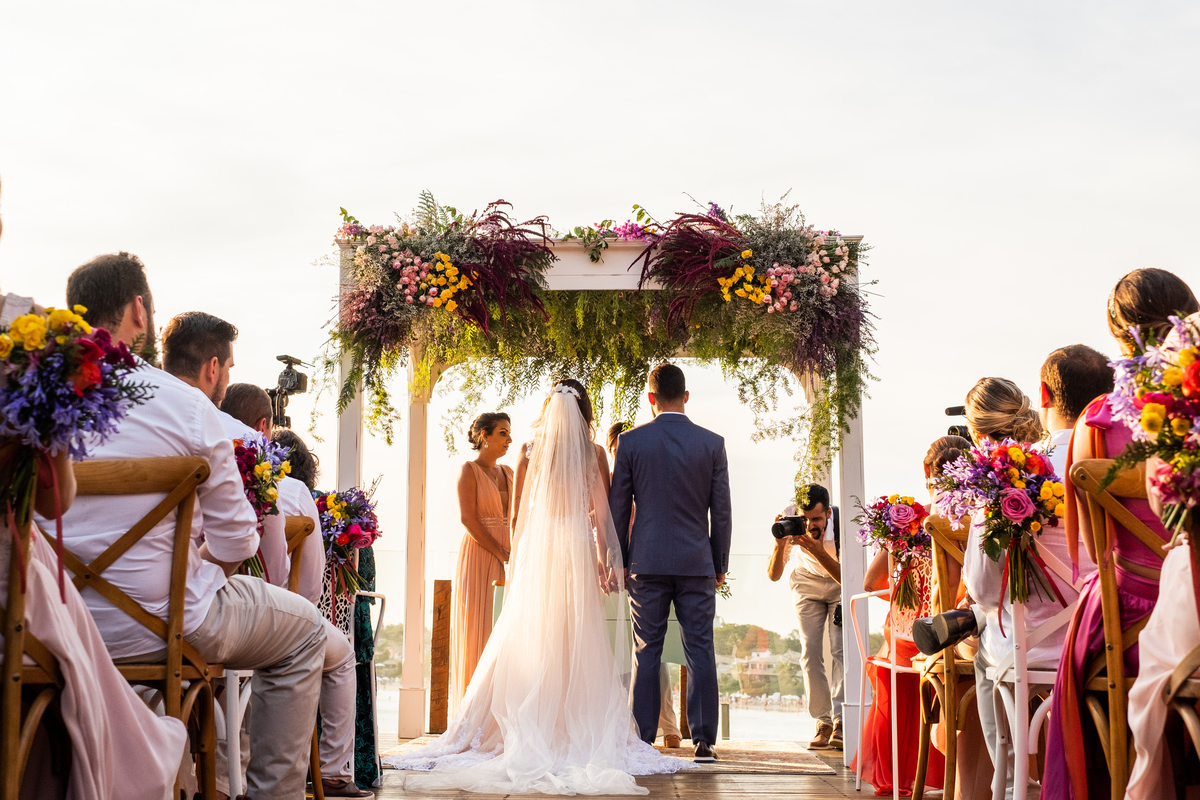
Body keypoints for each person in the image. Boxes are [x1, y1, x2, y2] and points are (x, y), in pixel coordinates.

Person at [63, 253, 327, 799]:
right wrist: (193, 570)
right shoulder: (182, 405)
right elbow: (236, 539)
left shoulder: (31, 400)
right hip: (163, 625)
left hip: (50, 630)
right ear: (138, 309)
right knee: (307, 634)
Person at [383, 383, 689, 794]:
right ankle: (569, 719)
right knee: (576, 632)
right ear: (584, 410)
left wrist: (517, 561)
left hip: (541, 548)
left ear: (549, 409)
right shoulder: (595, 452)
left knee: (535, 632)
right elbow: (602, 515)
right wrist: (604, 559)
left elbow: (517, 518)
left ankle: (530, 719)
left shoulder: (529, 451)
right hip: (577, 548)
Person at [160, 316, 369, 799]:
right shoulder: (233, 436)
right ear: (213, 368)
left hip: (79, 617)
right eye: (228, 367)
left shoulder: (87, 412)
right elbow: (249, 548)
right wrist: (198, 568)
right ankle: (286, 786)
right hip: (186, 621)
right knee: (305, 632)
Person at [1042, 269, 1199, 800]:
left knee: (1088, 627)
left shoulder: (1098, 420)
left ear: (1117, 334)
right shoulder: (1192, 404)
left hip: (1126, 625)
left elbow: (1090, 549)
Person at [611, 363, 732, 763]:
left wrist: (621, 561)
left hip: (646, 562)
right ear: (686, 396)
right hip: (697, 561)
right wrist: (719, 562)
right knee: (700, 647)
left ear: (650, 399)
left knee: (647, 649)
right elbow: (722, 511)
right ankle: (704, 743)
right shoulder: (712, 443)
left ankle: (643, 740)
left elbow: (617, 508)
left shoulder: (630, 443)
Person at [851, 437, 965, 797]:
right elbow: (957, 588)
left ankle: (897, 772)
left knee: (891, 652)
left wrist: (902, 575)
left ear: (927, 472)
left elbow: (871, 582)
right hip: (942, 638)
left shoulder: (910, 522)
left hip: (901, 641)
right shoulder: (965, 525)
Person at [607, 421, 682, 750]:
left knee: (652, 651)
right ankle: (621, 724)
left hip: (642, 570)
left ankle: (668, 723)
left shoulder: (648, 477)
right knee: (618, 653)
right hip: (613, 573)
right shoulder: (607, 480)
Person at [767, 484, 844, 750]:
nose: (810, 525)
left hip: (838, 581)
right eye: (805, 518)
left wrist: (817, 550)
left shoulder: (841, 526)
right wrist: (780, 545)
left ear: (828, 516)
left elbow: (848, 577)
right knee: (810, 651)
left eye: (817, 520)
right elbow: (774, 575)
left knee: (840, 649)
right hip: (806, 583)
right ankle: (823, 722)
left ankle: (841, 721)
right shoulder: (792, 520)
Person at [453, 411, 513, 704]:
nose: (509, 439)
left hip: (511, 557)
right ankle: (476, 708)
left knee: (509, 630)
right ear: (484, 436)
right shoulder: (469, 470)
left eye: (509, 434)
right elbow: (468, 518)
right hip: (480, 554)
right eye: (502, 433)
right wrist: (500, 551)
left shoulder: (511, 473)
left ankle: (504, 707)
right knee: (482, 627)